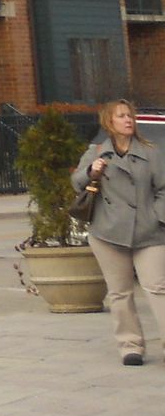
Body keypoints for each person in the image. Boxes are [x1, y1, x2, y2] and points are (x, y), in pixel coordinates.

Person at [73, 99, 165, 365]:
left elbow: (163, 189)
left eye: (130, 116)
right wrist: (91, 171)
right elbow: (76, 182)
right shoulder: (97, 151)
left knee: (158, 287)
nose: (128, 120)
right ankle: (130, 346)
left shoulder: (151, 152)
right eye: (121, 116)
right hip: (108, 233)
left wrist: (158, 217)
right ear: (109, 122)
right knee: (120, 292)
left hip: (149, 232)